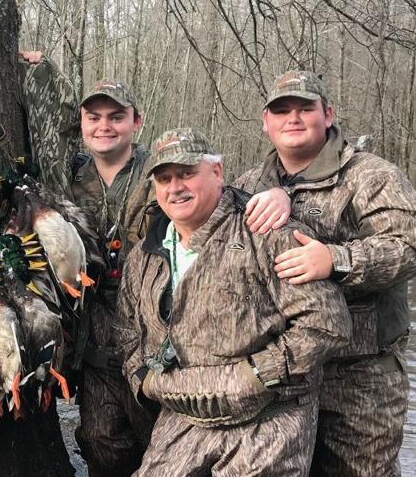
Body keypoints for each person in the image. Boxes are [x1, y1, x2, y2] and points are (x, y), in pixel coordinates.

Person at [119, 127, 351, 476]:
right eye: (164, 178)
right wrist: (145, 380)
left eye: (186, 173)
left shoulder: (267, 233)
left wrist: (257, 374)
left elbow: (327, 324)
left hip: (268, 415)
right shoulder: (144, 256)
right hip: (184, 414)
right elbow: (126, 331)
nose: (175, 187)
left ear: (216, 172)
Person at [237, 70, 416, 476]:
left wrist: (335, 260)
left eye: (305, 108)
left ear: (328, 114)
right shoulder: (247, 185)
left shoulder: (372, 176)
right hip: (283, 373)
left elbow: (408, 246)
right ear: (266, 122)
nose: (293, 118)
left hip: (360, 375)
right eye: (281, 110)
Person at [20, 50, 158, 477]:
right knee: (100, 441)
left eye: (116, 117)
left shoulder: (160, 173)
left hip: (153, 332)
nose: (104, 126)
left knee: (162, 438)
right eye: (93, 117)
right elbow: (48, 132)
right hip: (94, 338)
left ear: (136, 122)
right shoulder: (68, 177)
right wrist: (42, 73)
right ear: (82, 125)